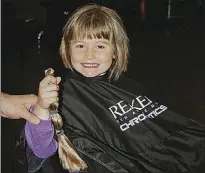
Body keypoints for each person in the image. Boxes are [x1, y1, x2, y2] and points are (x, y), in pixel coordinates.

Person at [19, 4, 205, 173]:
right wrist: (42, 108)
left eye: (100, 46)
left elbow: (168, 128)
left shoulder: (129, 86)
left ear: (115, 51)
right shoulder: (63, 96)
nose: (89, 55)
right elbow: (41, 151)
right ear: (67, 49)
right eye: (80, 45)